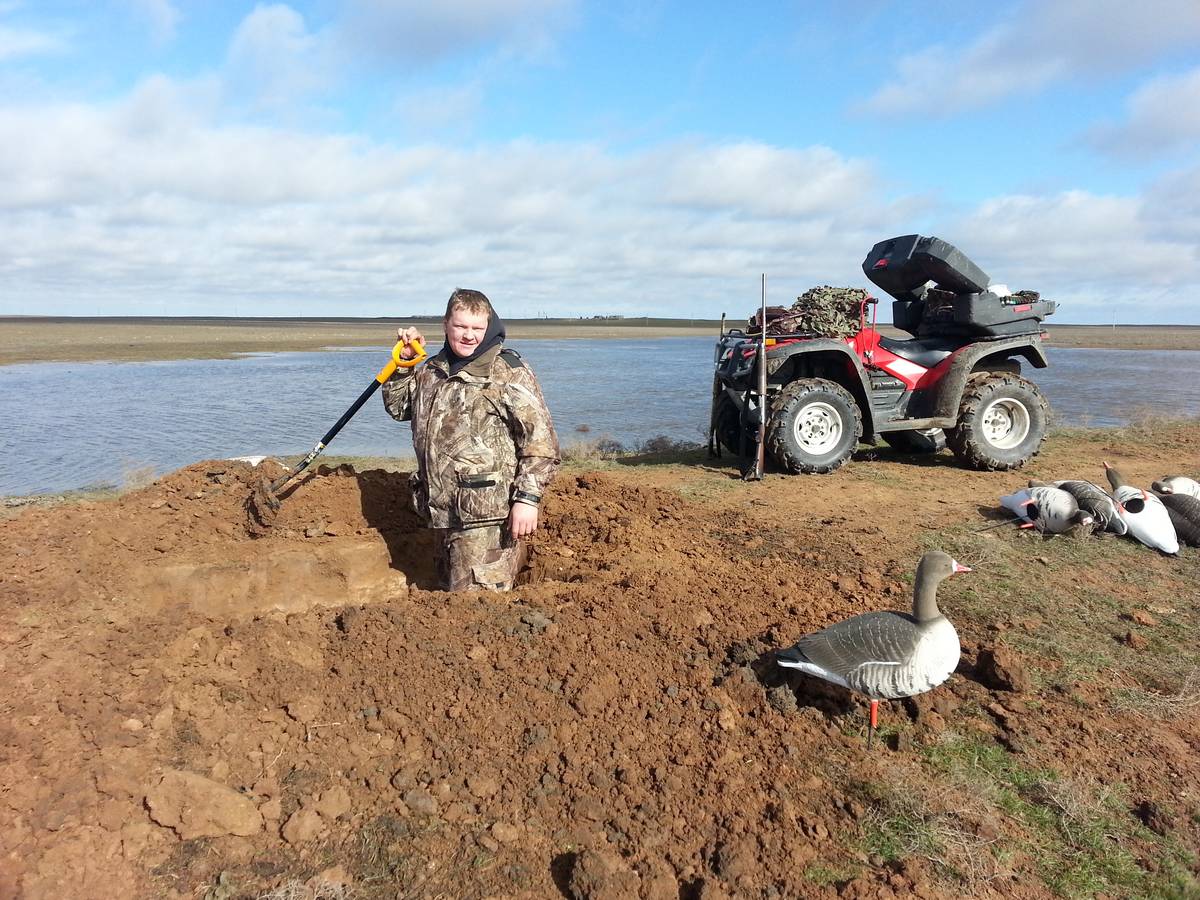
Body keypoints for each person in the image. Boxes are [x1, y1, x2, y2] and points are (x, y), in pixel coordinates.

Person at [382, 289, 560, 591]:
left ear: (488, 326)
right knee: (448, 606)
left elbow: (540, 443)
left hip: (485, 520)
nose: (469, 336)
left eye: (477, 328)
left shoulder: (508, 372)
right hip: (439, 514)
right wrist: (404, 365)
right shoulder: (432, 369)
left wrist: (528, 500)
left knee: (479, 608)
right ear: (445, 324)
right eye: (461, 326)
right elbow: (400, 408)